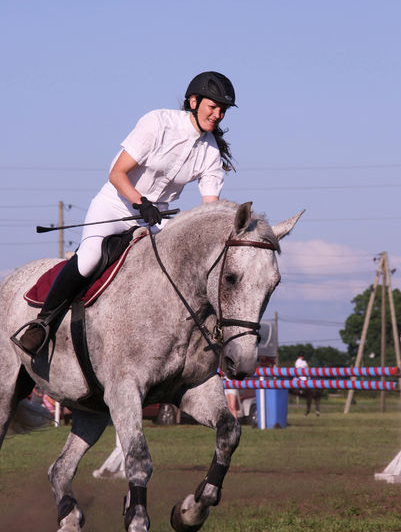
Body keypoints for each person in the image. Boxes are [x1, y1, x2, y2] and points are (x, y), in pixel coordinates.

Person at [13, 71, 237, 358]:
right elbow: (117, 173)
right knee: (91, 257)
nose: (217, 114)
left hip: (157, 219)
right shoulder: (158, 123)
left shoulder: (211, 153)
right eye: (212, 107)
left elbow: (209, 208)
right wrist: (141, 202)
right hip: (116, 204)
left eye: (222, 110)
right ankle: (41, 323)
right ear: (193, 101)